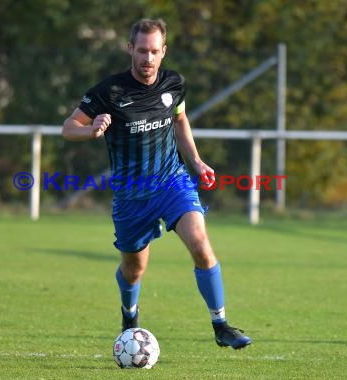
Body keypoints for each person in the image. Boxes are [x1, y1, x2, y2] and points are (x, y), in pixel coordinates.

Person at [62, 18, 252, 350]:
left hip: (172, 183)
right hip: (131, 195)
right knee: (134, 269)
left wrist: (196, 161)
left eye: (153, 51)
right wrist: (90, 130)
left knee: (201, 244)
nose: (147, 59)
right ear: (130, 49)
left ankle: (221, 325)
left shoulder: (174, 84)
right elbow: (68, 127)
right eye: (141, 51)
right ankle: (129, 315)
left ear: (163, 51)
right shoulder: (109, 91)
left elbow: (179, 119)